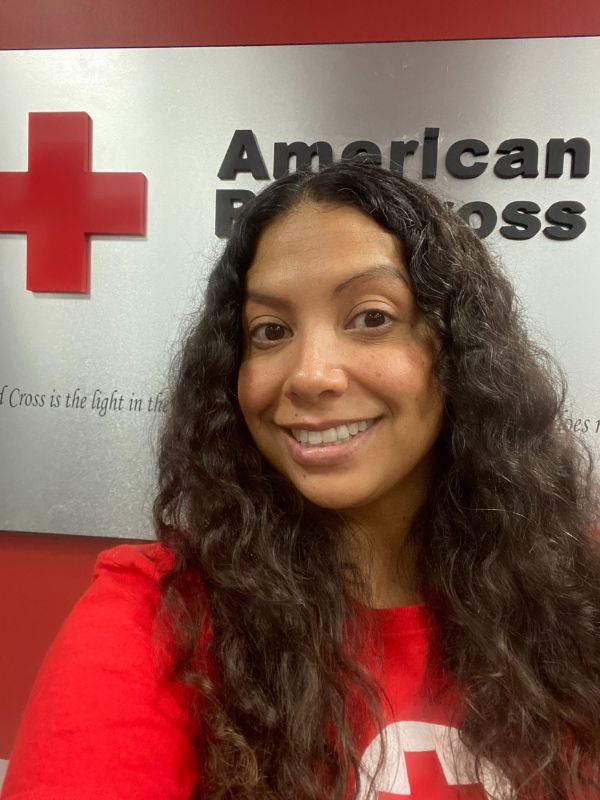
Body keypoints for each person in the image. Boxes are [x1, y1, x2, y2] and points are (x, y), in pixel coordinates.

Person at [3, 161, 600, 800]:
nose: (309, 374)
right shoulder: (156, 616)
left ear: (457, 353)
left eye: (371, 317)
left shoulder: (580, 584)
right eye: (271, 331)